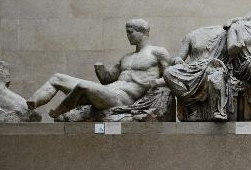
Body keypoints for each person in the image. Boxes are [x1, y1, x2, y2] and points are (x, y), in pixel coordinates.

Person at [27, 19, 172, 119]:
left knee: (83, 85)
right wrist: (100, 69)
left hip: (122, 99)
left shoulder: (158, 52)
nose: (127, 35)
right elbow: (107, 79)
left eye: (130, 32)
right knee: (57, 78)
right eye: (127, 32)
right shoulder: (126, 57)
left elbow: (171, 76)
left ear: (142, 32)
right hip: (108, 91)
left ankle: (60, 110)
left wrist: (155, 83)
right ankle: (28, 105)